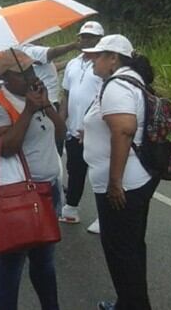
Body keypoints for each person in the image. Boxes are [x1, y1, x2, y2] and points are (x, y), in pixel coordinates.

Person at [0, 49, 64, 310]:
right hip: (20, 195)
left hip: (50, 189)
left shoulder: (37, 98)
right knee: (13, 261)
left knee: (44, 261)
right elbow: (6, 148)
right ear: (5, 78)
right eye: (22, 73)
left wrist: (46, 103)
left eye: (32, 70)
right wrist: (28, 110)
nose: (30, 77)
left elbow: (61, 133)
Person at [81, 34, 157, 310]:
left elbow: (124, 129)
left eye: (98, 55)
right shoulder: (129, 81)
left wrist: (115, 182)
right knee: (131, 248)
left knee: (121, 251)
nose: (92, 60)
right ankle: (131, 302)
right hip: (135, 179)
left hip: (123, 184)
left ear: (113, 58)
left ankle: (133, 305)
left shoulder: (117, 85)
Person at [58, 21, 105, 234]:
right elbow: (66, 93)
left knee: (99, 175)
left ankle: (104, 217)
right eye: (84, 37)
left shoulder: (104, 64)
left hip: (96, 130)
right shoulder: (73, 64)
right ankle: (71, 207)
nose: (87, 40)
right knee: (75, 169)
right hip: (73, 128)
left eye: (91, 37)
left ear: (100, 40)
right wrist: (62, 120)